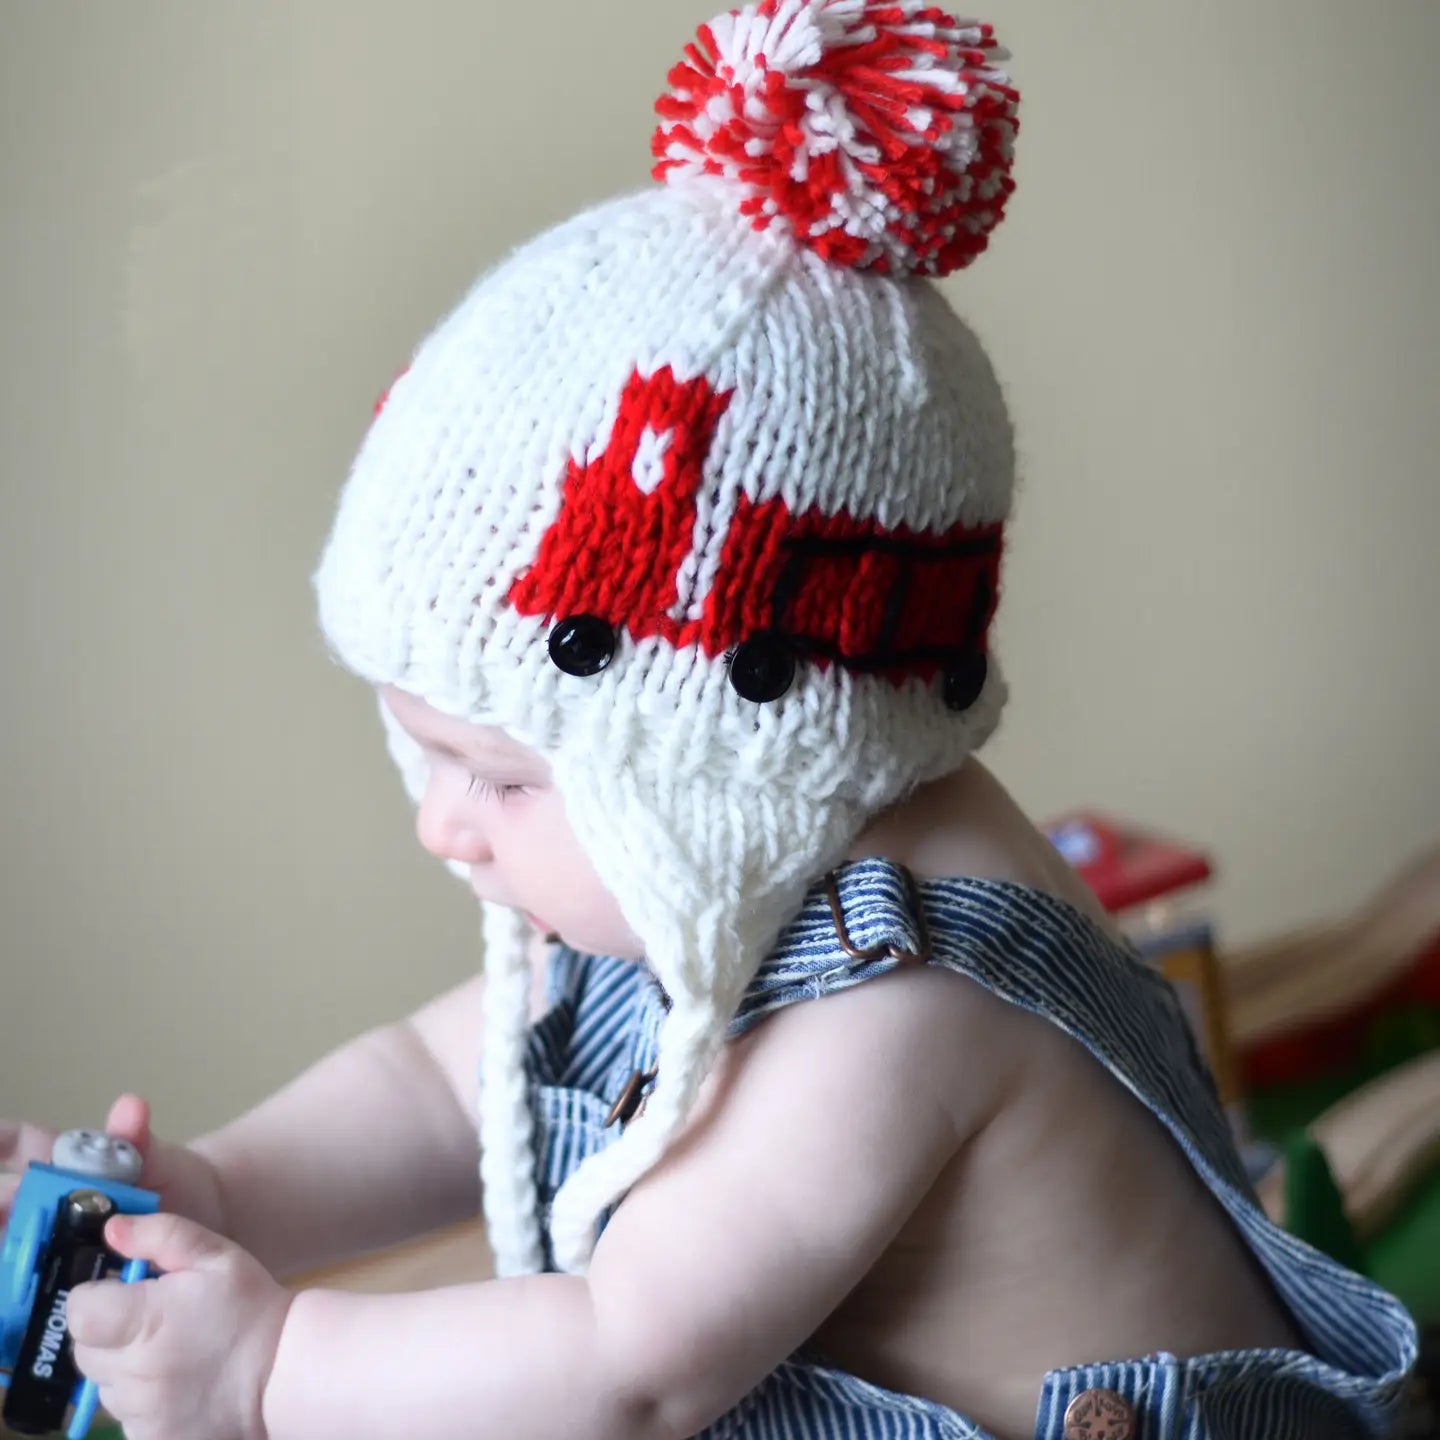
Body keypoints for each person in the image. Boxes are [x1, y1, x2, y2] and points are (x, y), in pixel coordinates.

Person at [0, 4, 1418, 1437]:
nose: (441, 826)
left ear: (734, 758)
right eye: (424, 753)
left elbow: (632, 1367)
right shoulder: (714, 868)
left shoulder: (903, 998)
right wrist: (227, 1187)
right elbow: (443, 1085)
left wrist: (272, 1375)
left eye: (493, 775)